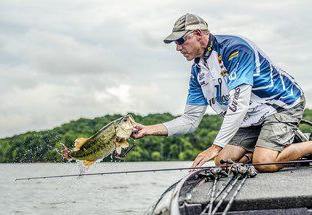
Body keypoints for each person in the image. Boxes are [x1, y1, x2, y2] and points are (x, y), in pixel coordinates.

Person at [132, 13, 312, 172]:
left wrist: (215, 146)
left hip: (281, 106)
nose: (177, 48)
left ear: (198, 34)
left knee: (264, 162)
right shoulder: (197, 71)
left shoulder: (235, 49)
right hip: (251, 117)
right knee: (222, 162)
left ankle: (295, 148)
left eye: (180, 41)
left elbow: (238, 104)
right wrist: (148, 130)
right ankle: (279, 147)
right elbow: (190, 120)